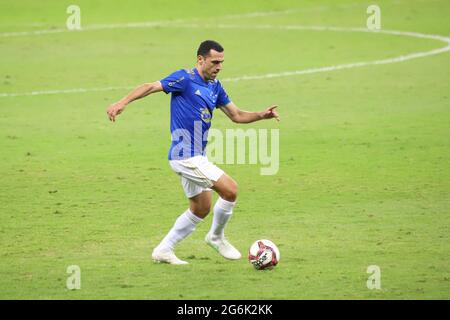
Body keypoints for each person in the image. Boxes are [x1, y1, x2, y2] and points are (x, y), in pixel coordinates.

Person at [106, 40, 280, 265]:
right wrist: (123, 102)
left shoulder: (215, 87)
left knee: (201, 208)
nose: (219, 67)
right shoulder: (184, 79)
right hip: (184, 155)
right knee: (230, 190)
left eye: (222, 63)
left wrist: (260, 115)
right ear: (200, 59)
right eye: (214, 62)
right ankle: (216, 237)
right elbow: (151, 86)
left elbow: (236, 115)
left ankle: (163, 250)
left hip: (197, 155)